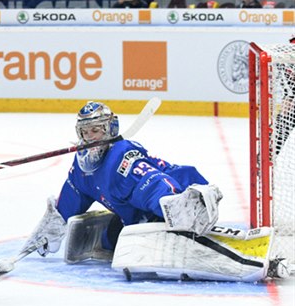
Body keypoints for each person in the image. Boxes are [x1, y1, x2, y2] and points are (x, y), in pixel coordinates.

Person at [22, 101, 288, 282]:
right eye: (86, 131)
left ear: (110, 129)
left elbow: (154, 184)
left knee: (164, 236)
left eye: (97, 130)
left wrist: (173, 205)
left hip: (184, 196)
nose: (91, 137)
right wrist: (49, 229)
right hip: (137, 212)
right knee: (113, 239)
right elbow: (69, 203)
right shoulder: (81, 168)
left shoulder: (122, 158)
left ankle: (250, 262)